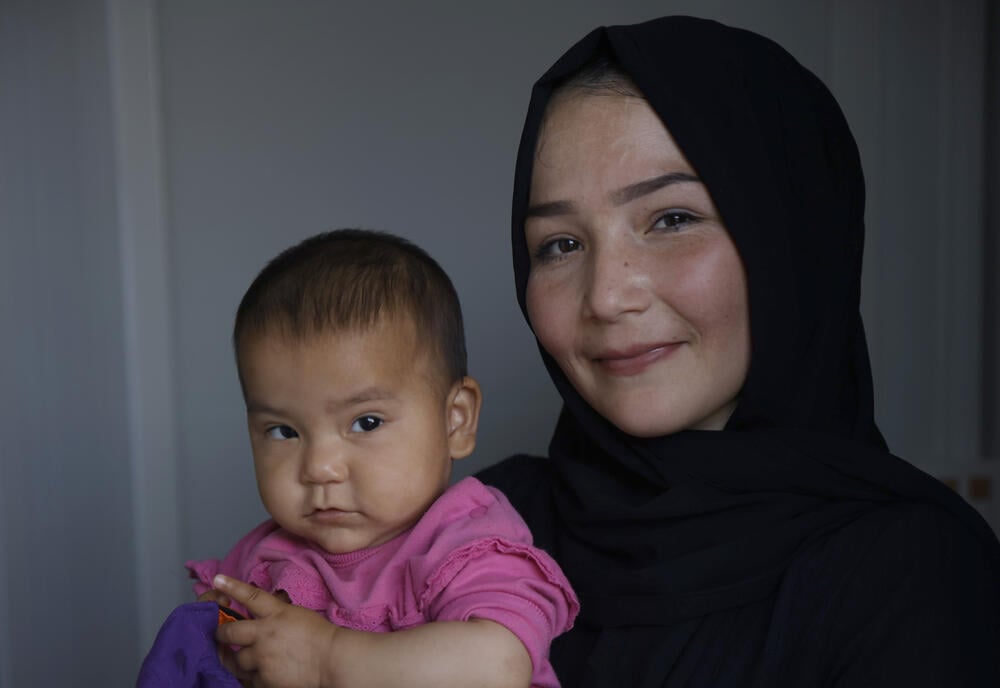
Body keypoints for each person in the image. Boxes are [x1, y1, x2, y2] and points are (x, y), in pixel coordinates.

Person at [477, 15, 1000, 687]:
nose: (606, 296)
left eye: (672, 219)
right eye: (560, 244)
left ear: (791, 238)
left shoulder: (917, 575)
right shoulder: (492, 524)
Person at [184, 229, 578, 687]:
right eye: (284, 431)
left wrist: (327, 658)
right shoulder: (265, 560)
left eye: (366, 422)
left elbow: (496, 666)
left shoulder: (468, 544)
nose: (319, 468)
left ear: (456, 420)